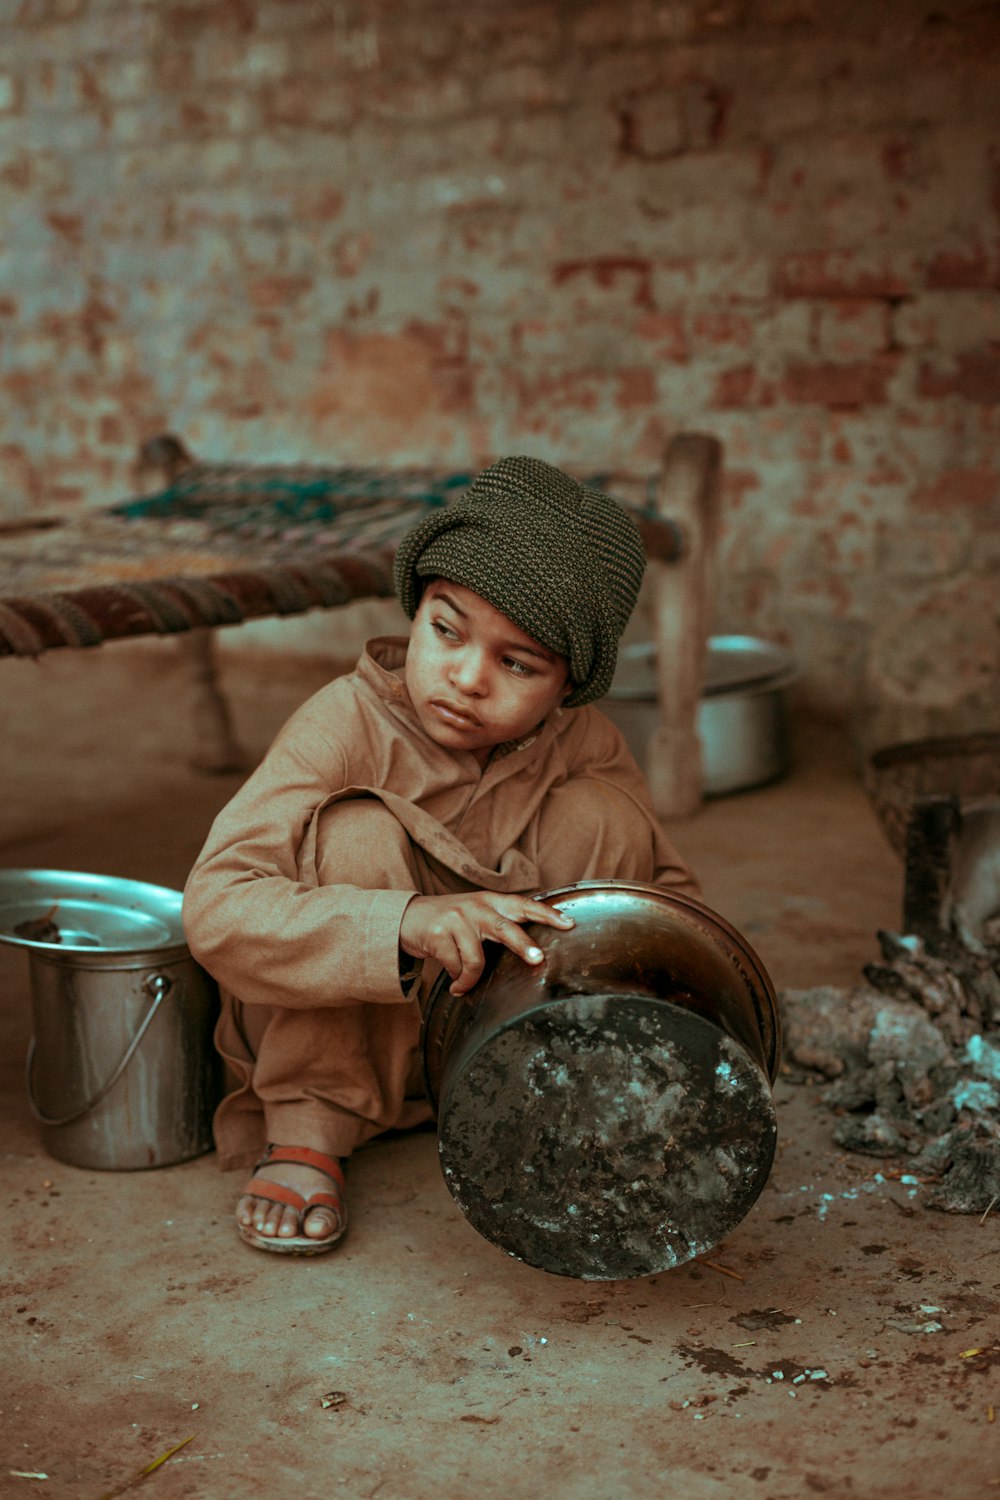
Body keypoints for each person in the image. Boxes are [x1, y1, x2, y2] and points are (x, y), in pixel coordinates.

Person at [182, 455, 701, 1256]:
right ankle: (309, 1134)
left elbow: (666, 897)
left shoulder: (583, 741)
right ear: (415, 608)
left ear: (569, 685)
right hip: (352, 1041)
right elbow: (216, 908)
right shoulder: (344, 725)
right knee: (354, 832)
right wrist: (407, 922)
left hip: (491, 1045)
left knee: (602, 817)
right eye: (446, 630)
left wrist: (692, 1023)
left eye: (516, 663)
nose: (465, 678)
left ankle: (539, 1093)